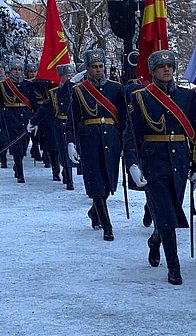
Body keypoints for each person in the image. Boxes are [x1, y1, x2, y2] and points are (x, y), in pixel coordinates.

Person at [123, 50, 196, 285]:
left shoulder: (187, 97)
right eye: (161, 67)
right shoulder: (140, 97)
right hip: (153, 162)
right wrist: (132, 164)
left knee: (170, 212)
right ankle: (174, 267)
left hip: (179, 161)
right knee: (167, 215)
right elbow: (131, 135)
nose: (166, 69)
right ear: (153, 71)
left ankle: (156, 239)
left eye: (170, 65)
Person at [66, 49, 126, 241]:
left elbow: (124, 119)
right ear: (88, 69)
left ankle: (94, 211)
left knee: (108, 183)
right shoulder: (79, 90)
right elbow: (72, 119)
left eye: (101, 66)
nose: (98, 70)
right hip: (89, 139)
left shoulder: (116, 89)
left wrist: (127, 143)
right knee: (96, 183)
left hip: (112, 139)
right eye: (94, 67)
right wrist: (70, 142)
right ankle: (108, 227)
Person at [0, 59, 36, 183]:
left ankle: (18, 164)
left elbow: (33, 102)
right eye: (14, 69)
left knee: (24, 143)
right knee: (15, 143)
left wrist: (35, 120)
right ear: (10, 71)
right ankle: (20, 172)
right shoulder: (3, 85)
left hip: (26, 116)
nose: (17, 72)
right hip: (10, 116)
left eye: (19, 70)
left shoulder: (28, 84)